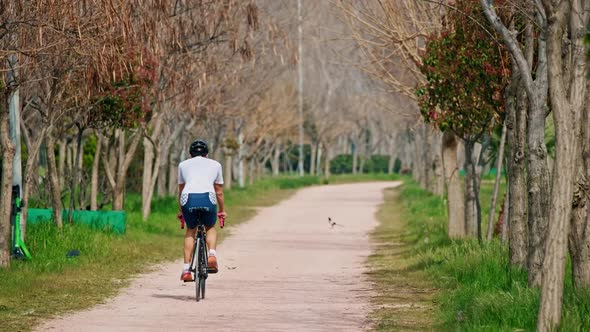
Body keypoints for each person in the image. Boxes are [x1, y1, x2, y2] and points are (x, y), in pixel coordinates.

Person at [177, 140, 227, 281]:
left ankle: (186, 270)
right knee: (210, 226)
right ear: (207, 153)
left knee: (191, 229)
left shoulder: (183, 165)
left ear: (190, 154)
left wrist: (181, 211)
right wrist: (222, 210)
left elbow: (181, 191)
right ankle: (211, 255)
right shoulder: (216, 164)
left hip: (188, 198)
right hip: (208, 197)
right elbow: (219, 192)